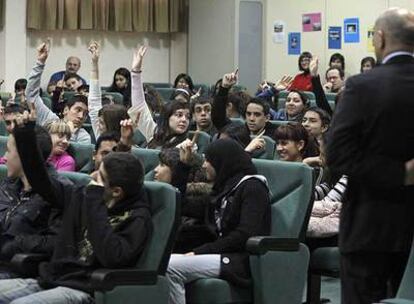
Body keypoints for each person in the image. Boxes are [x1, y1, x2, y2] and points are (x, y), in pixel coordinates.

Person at [0, 104, 152, 304]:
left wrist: (96, 201)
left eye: (100, 177)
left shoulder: (137, 218)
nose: (93, 177)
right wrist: (26, 136)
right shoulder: (83, 196)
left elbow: (112, 257)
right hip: (52, 278)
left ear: (116, 191)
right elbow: (41, 181)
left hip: (86, 288)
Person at [326, 8, 414, 304]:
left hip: (369, 223)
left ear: (380, 37)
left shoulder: (362, 85)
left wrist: (399, 173)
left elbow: (338, 155)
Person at [166, 138, 270, 304]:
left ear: (222, 162)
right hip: (219, 253)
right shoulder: (223, 189)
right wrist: (184, 166)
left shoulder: (253, 187)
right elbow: (182, 206)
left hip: (240, 260)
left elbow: (244, 235)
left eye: (209, 160)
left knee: (170, 268)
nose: (204, 165)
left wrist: (201, 251)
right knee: (162, 261)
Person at [0, 121, 70, 279]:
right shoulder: (8, 185)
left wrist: (13, 243)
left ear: (25, 156)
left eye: (9, 151)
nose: (4, 158)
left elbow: (56, 242)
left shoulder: (59, 193)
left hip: (16, 270)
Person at [26, 41, 91, 144]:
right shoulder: (50, 119)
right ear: (65, 110)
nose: (81, 116)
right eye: (78, 110)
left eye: (85, 113)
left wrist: (70, 134)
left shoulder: (84, 137)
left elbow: (71, 159)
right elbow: (31, 95)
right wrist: (40, 62)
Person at [212, 69, 276, 137]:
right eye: (248, 114)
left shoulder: (276, 135)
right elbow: (218, 120)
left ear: (267, 118)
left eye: (257, 115)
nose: (251, 119)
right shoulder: (239, 131)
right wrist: (224, 88)